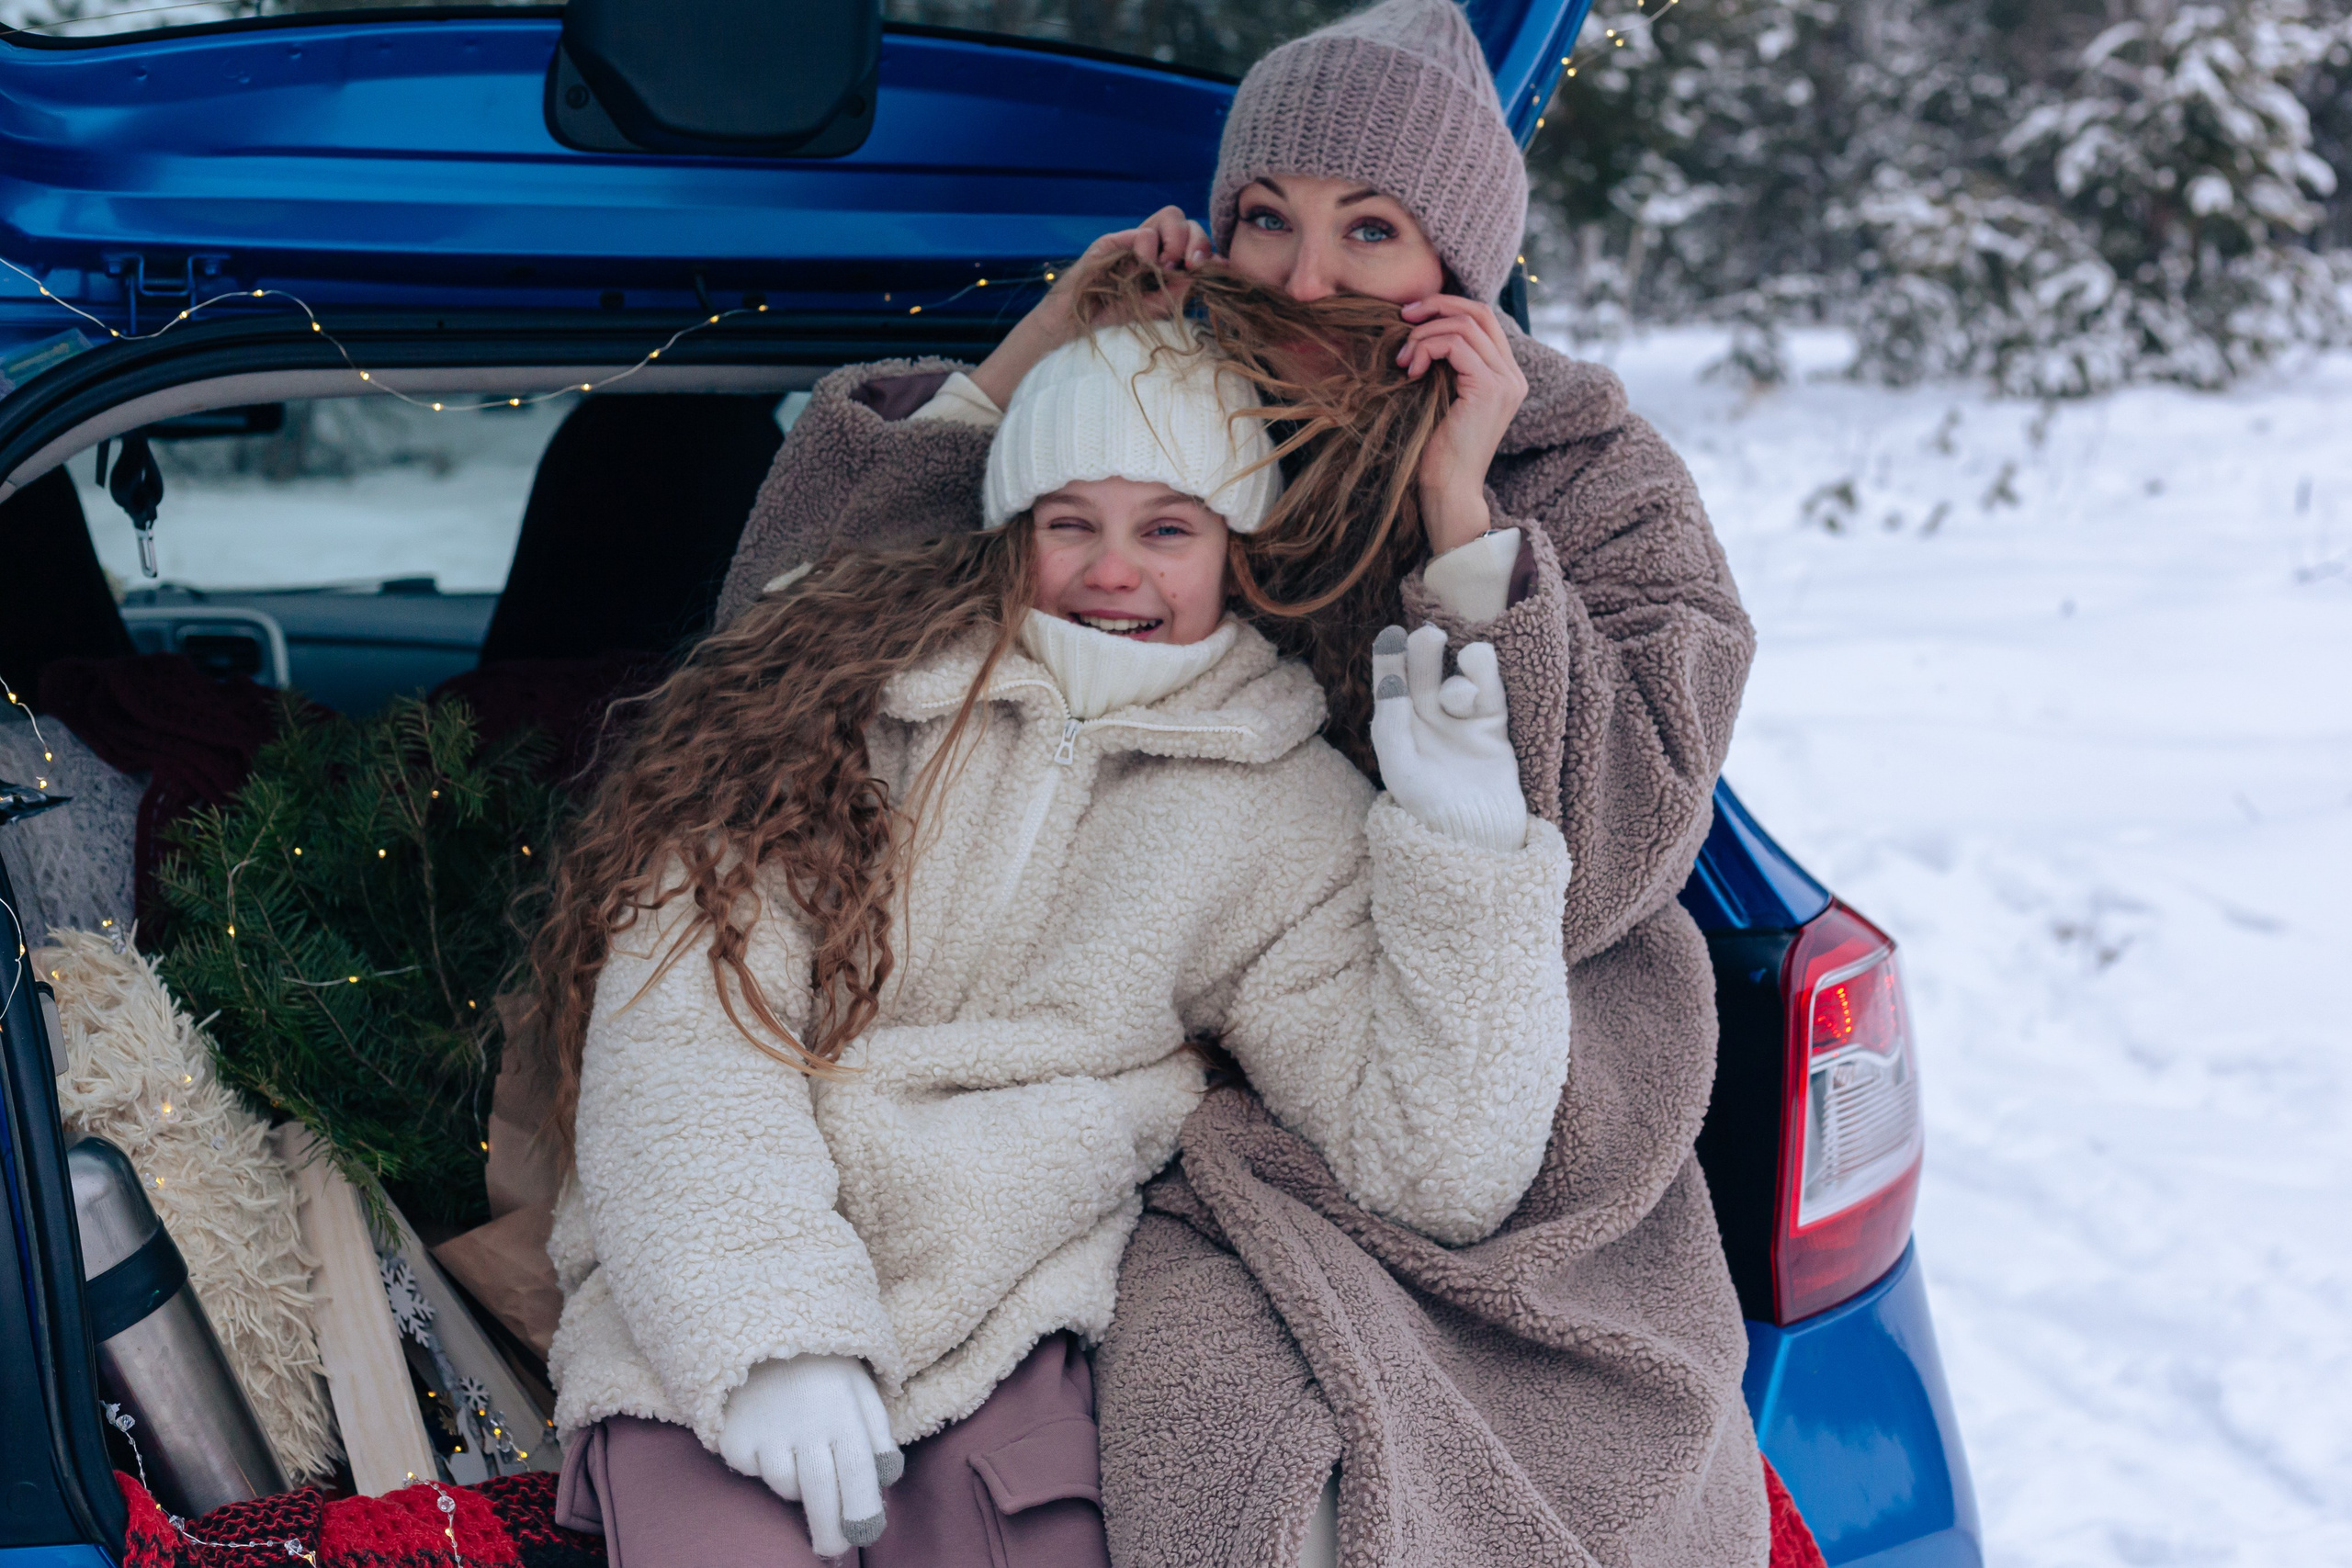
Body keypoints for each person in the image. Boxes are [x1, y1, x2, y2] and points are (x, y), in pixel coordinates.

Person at [713, 0, 1771, 1562]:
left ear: (1459, 271)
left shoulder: (1590, 475)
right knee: (1218, 1431)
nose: (1305, 276)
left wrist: (1460, 513)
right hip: (1152, 1052)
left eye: (1372, 230)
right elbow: (788, 642)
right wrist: (1042, 349)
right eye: (1265, 219)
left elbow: (1613, 850)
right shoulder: (1150, 416)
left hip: (1501, 1075)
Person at [534, 319, 1577, 1566]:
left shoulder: (1281, 811)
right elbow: (683, 1039)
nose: (1113, 569)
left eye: (1169, 527)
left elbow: (1434, 1167)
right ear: (1013, 528)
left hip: (1009, 1331)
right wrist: (774, 1337)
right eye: (1069, 520)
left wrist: (1465, 848)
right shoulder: (821, 704)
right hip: (712, 1319)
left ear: (1238, 549)